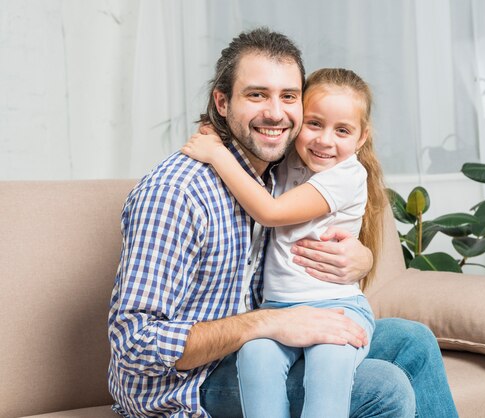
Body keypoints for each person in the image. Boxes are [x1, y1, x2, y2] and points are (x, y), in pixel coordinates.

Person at [108, 27, 458, 418]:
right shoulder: (177, 194)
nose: (275, 113)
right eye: (257, 94)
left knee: (414, 340)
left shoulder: (281, 169)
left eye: (288, 96)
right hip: (190, 383)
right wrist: (269, 322)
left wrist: (362, 258)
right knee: (383, 387)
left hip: (265, 335)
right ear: (221, 103)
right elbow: (134, 344)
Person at [182, 67, 384, 417]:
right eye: (315, 124)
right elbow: (256, 136)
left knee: (330, 363)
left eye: (342, 130)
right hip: (276, 310)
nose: (324, 140)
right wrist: (217, 135)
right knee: (253, 356)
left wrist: (217, 155)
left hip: (336, 306)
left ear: (361, 138)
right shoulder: (290, 157)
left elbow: (270, 212)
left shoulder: (346, 174)